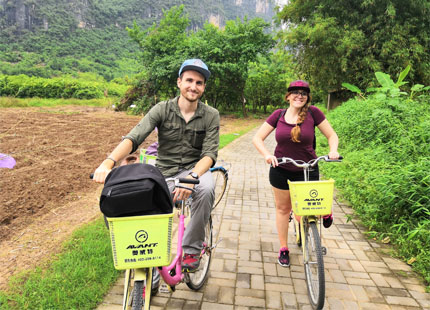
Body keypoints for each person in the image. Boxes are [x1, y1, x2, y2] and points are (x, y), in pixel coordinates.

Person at [93, 59, 220, 273]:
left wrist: (192, 177)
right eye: (189, 80)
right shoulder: (162, 109)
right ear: (179, 82)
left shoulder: (211, 115)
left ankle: (191, 249)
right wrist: (108, 162)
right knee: (138, 200)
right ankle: (149, 252)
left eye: (199, 82)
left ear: (203, 87)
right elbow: (134, 137)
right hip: (164, 172)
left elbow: (209, 154)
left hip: (195, 170)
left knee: (206, 189)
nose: (193, 86)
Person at [252, 80, 339, 267]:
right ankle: (284, 248)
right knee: (284, 209)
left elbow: (332, 135)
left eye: (304, 93)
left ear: (307, 98)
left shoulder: (313, 113)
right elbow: (257, 138)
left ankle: (324, 213)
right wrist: (267, 155)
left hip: (308, 169)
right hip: (281, 169)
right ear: (288, 96)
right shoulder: (278, 115)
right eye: (295, 92)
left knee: (309, 210)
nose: (299, 95)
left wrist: (333, 151)